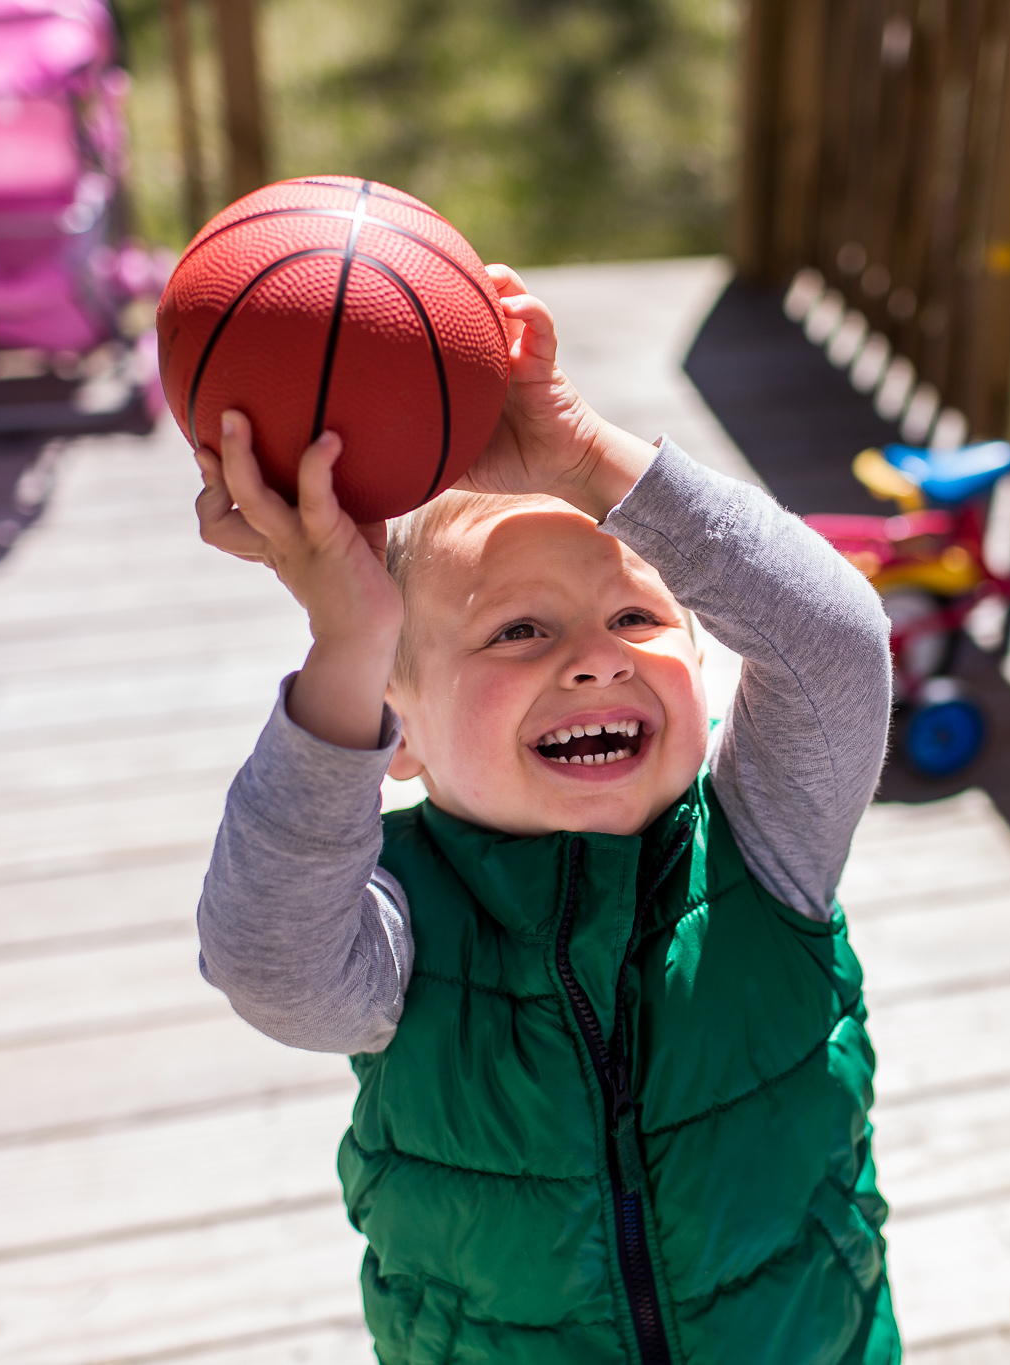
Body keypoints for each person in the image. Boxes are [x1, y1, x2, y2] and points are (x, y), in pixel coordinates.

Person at [192, 263, 898, 1364]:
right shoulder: (397, 931)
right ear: (400, 731)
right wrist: (346, 644)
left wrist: (581, 453)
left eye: (634, 615)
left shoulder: (764, 852)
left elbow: (834, 648)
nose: (593, 661)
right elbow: (264, 960)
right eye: (517, 631)